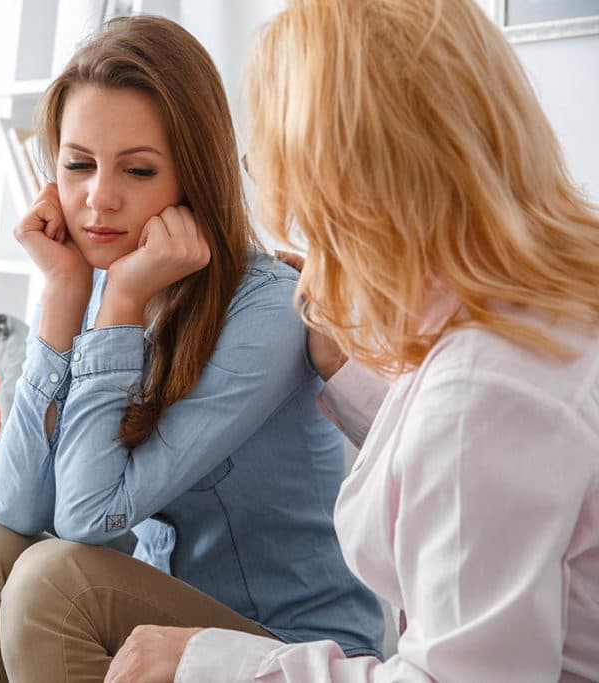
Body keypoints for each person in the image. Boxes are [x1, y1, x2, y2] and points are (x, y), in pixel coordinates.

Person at [106, 1, 599, 681]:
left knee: (52, 583)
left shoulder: (484, 391)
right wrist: (342, 363)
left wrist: (217, 662)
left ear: (358, 187)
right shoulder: (551, 309)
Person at [0, 14, 383, 683]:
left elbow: (85, 514)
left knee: (55, 578)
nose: (98, 199)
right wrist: (64, 298)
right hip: (161, 626)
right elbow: (6, 507)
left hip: (282, 649)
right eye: (77, 165)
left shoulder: (267, 311)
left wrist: (121, 306)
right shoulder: (90, 281)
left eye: (136, 170)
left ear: (191, 176)